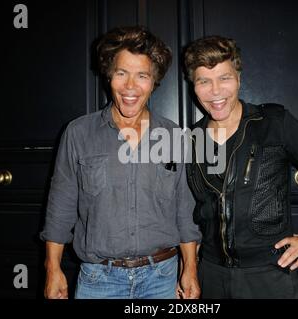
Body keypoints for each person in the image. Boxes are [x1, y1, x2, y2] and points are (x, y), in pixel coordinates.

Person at [40, 26, 201, 299]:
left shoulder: (175, 137)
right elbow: (61, 205)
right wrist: (52, 267)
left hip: (162, 279)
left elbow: (185, 212)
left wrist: (190, 269)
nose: (130, 86)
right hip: (97, 280)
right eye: (121, 73)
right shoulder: (78, 133)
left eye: (142, 76)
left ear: (154, 81)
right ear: (108, 75)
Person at [183, 35, 298, 298]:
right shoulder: (190, 140)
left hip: (269, 274)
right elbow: (185, 212)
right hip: (211, 274)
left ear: (239, 79)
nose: (215, 91)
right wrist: (188, 268)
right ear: (194, 86)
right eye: (204, 81)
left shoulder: (273, 123)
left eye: (224, 78)